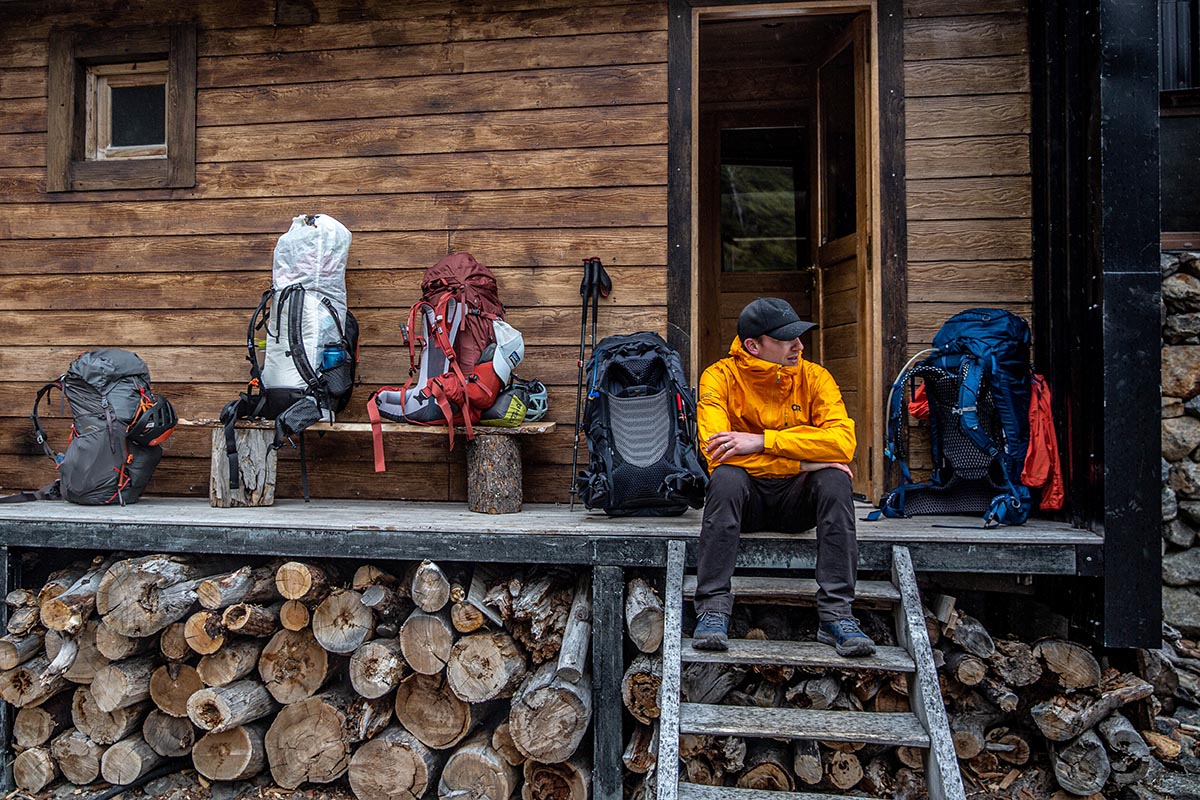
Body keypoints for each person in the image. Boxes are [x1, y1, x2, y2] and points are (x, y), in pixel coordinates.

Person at [691, 297, 876, 657]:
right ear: (753, 346)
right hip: (746, 505)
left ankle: (836, 615)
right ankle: (712, 609)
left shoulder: (815, 377)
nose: (799, 345)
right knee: (726, 478)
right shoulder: (719, 377)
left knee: (836, 482)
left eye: (799, 336)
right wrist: (806, 461)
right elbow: (717, 454)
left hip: (796, 505)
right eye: (786, 339)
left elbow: (843, 444)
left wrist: (761, 442)